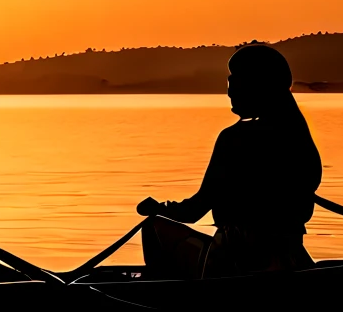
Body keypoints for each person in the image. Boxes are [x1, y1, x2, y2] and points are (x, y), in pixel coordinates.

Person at [135, 41, 321, 277]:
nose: (230, 92)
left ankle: (163, 299)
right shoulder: (297, 136)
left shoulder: (235, 138)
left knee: (153, 227)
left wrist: (157, 208)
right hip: (291, 255)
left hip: (239, 259)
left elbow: (194, 210)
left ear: (257, 86)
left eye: (235, 82)